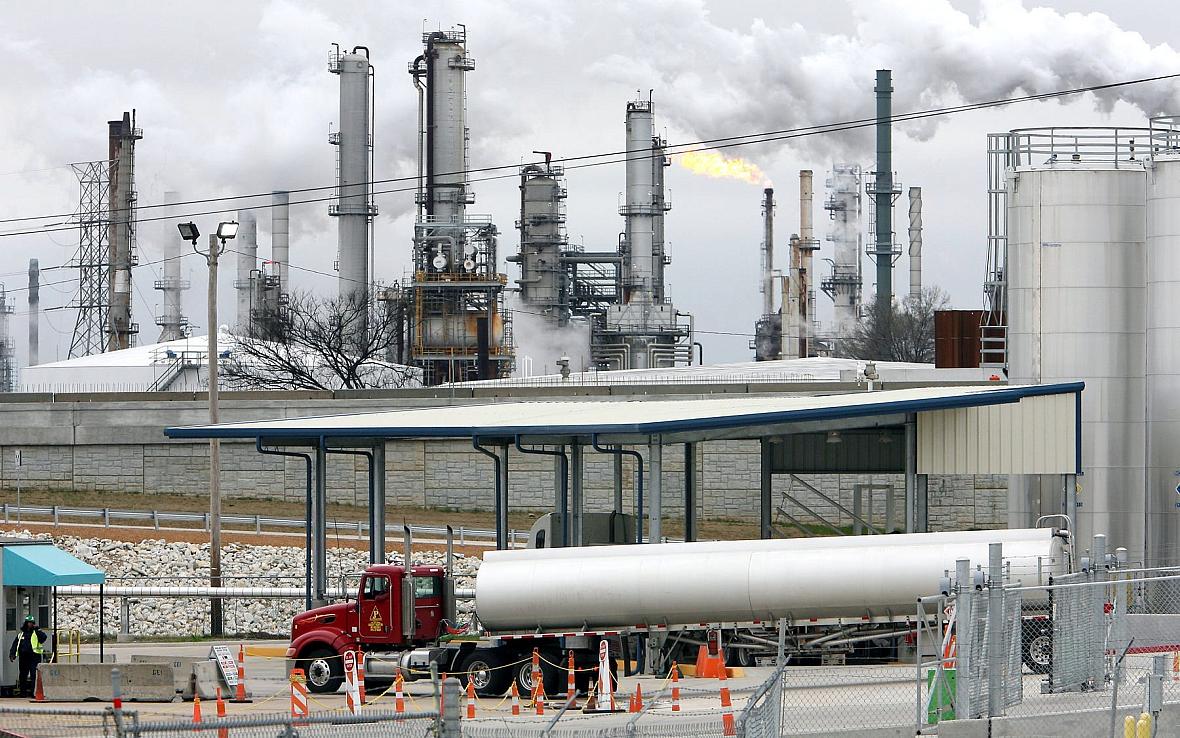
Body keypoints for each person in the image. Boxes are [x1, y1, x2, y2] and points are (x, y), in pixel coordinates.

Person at [8, 616, 48, 698]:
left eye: (31, 623)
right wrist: (12, 654)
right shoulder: (21, 634)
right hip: (24, 657)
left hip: (34, 657)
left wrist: (38, 630)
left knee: (34, 675)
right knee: (23, 675)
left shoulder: (36, 633)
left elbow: (44, 638)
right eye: (28, 622)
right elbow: (15, 645)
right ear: (26, 623)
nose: (30, 624)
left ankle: (33, 693)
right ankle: (23, 693)